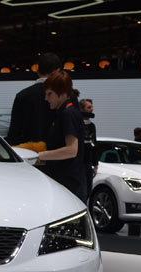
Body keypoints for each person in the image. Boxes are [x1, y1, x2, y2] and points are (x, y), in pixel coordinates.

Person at [36, 70, 85, 199]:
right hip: (65, 180)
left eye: (49, 94)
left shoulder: (68, 114)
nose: (46, 98)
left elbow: (71, 150)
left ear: (62, 93)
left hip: (68, 183)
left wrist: (40, 156)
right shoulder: (64, 113)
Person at [6, 52, 62, 146]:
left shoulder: (22, 95)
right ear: (57, 71)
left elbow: (14, 132)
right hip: (59, 154)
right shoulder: (66, 95)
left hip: (29, 153)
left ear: (38, 72)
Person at [79, 98, 98, 202]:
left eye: (92, 107)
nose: (92, 109)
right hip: (79, 163)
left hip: (88, 163)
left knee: (88, 191)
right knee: (82, 191)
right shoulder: (77, 124)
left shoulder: (92, 126)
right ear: (81, 109)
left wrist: (95, 164)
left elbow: (94, 144)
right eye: (89, 107)